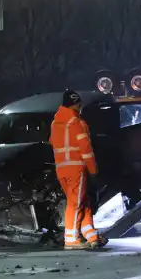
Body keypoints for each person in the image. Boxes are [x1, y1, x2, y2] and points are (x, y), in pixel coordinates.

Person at [50, 90, 106, 249]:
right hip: (76, 168)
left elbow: (53, 142)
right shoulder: (77, 122)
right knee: (76, 203)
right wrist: (93, 170)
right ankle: (71, 239)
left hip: (61, 168)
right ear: (75, 104)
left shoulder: (55, 123)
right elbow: (86, 150)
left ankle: (91, 236)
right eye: (79, 104)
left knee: (83, 202)